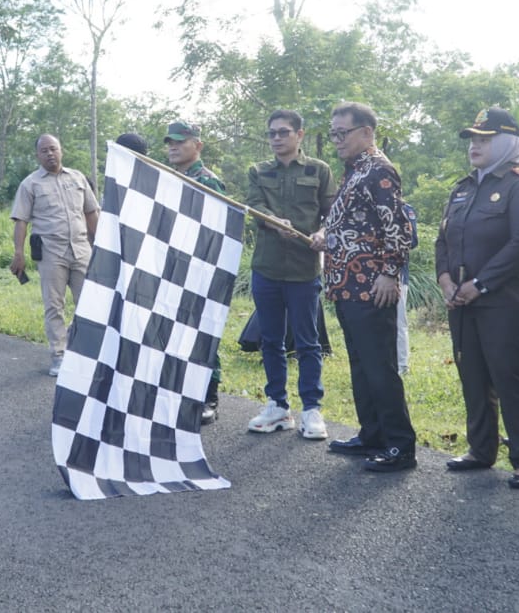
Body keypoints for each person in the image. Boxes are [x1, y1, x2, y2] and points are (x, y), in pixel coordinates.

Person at [436, 107, 519, 489]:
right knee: (473, 376)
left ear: (507, 142)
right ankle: (480, 450)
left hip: (509, 302)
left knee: (512, 378)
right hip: (463, 301)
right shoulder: (464, 187)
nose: (475, 145)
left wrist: (480, 284)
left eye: (484, 139)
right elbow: (444, 238)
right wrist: (445, 279)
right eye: (472, 139)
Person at [318, 102, 418, 472]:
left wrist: (390, 273)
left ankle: (400, 446)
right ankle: (372, 434)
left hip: (371, 286)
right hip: (346, 284)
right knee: (361, 366)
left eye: (342, 133)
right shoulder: (354, 171)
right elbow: (357, 224)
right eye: (333, 133)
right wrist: (327, 237)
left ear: (366, 132)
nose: (336, 140)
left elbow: (398, 228)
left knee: (380, 367)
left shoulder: (380, 171)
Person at [244, 110, 337, 440]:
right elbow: (254, 206)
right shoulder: (258, 171)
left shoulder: (319, 170)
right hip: (267, 268)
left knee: (308, 342)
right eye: (271, 134)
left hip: (304, 270)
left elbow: (332, 213)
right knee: (271, 340)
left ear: (300, 135)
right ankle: (277, 405)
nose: (277, 139)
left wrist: (325, 233)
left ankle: (311, 408)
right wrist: (272, 221)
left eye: (283, 132)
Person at [10, 134, 100, 376]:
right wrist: (18, 253)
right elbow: (21, 221)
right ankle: (58, 355)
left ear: (61, 151)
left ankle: (75, 344)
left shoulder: (78, 178)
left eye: (53, 149)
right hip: (51, 253)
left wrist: (99, 244)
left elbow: (91, 212)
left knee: (89, 304)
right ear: (37, 155)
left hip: (81, 250)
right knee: (54, 305)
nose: (50, 154)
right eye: (44, 151)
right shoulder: (31, 184)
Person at [163, 120, 228, 423]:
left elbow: (218, 230)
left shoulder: (207, 180)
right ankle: (180, 392)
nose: (173, 147)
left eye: (180, 141)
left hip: (200, 267)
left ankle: (209, 397)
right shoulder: (168, 177)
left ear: (198, 145)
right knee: (174, 331)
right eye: (170, 142)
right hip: (172, 265)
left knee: (203, 334)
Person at [396, 202, 418, 375]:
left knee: (399, 321)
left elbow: (412, 240)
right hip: (370, 276)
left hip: (397, 273)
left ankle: (402, 365)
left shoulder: (405, 209)